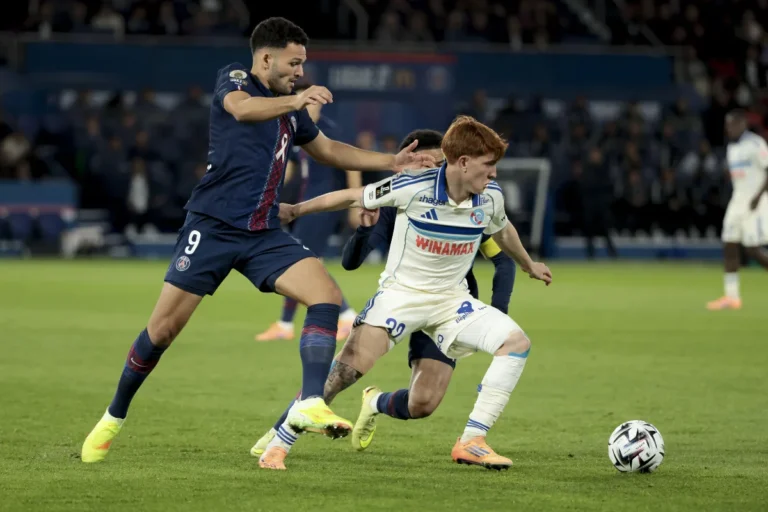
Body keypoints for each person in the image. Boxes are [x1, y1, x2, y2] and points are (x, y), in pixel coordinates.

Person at [80, 17, 435, 463]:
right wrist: (296, 99)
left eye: (302, 65)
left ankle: (308, 402)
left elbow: (327, 149)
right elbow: (242, 109)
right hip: (211, 226)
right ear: (266, 57)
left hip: (263, 230)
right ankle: (113, 416)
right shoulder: (235, 79)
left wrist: (392, 161)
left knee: (325, 296)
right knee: (163, 331)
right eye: (294, 62)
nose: (299, 72)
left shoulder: (290, 110)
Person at [258, 116, 552, 470]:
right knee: (343, 373)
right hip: (400, 297)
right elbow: (353, 196)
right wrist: (297, 209)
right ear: (463, 163)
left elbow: (504, 231)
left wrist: (528, 264)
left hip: (451, 302)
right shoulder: (414, 187)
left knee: (514, 344)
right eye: (489, 166)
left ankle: (472, 440)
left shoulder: (490, 198)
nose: (493, 175)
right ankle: (277, 444)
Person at [255, 83, 360, 342]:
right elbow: (289, 166)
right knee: (307, 263)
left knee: (302, 262)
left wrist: (358, 203)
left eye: (314, 102)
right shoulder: (295, 128)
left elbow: (352, 164)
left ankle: (337, 317)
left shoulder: (331, 130)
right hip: (305, 204)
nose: (309, 106)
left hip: (325, 204)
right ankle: (339, 317)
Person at [707, 109, 768, 310]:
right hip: (737, 202)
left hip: (755, 203)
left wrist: (758, 197)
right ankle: (731, 297)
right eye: (727, 125)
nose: (728, 128)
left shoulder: (756, 144)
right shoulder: (732, 148)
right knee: (729, 244)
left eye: (732, 124)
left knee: (752, 250)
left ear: (742, 123)